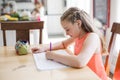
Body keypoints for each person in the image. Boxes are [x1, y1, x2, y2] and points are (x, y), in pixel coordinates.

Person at [32, 7, 108, 80]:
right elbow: (63, 44)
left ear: (78, 23)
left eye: (67, 29)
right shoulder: (78, 36)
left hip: (96, 77)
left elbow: (79, 62)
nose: (66, 33)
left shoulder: (92, 37)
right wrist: (45, 47)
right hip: (83, 75)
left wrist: (53, 56)